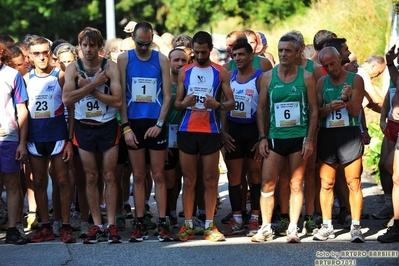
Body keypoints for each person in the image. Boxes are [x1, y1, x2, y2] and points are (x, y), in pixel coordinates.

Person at [252, 33, 318, 243]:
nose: (283, 54)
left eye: (288, 50)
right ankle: (265, 227)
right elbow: (261, 109)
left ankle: (292, 228)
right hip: (274, 137)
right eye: (280, 50)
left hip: (298, 137)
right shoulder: (268, 77)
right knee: (267, 183)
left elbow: (314, 111)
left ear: (298, 52)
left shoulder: (306, 77)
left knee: (296, 184)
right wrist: (262, 137)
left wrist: (309, 140)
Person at [63, 27, 123, 244]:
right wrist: (92, 86)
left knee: (109, 176)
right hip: (84, 127)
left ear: (100, 47)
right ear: (80, 47)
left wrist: (93, 86)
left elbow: (117, 102)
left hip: (107, 126)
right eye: (84, 45)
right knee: (90, 177)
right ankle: (96, 225)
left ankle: (112, 224)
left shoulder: (110, 67)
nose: (88, 50)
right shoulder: (73, 69)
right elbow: (67, 100)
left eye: (92, 45)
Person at [174, 31, 234, 242]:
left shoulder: (220, 72)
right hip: (187, 130)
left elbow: (231, 103)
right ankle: (188, 225)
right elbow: (177, 103)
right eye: (196, 52)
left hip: (210, 131)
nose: (199, 56)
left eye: (203, 52)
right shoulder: (185, 71)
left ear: (210, 49)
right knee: (189, 180)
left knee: (210, 180)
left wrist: (216, 105)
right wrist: (185, 103)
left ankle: (209, 225)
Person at [118, 21, 172, 242]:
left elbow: (168, 95)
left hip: (155, 122)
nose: (143, 47)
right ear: (134, 39)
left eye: (147, 43)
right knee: (138, 176)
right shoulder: (124, 59)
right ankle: (139, 222)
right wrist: (126, 127)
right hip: (134, 123)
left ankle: (161, 222)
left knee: (158, 175)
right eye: (139, 43)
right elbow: (120, 95)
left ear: (152, 39)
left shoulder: (161, 59)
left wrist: (159, 124)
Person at [24, 35, 76, 244]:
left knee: (62, 180)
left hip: (58, 135)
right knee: (38, 182)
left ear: (50, 53)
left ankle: (65, 225)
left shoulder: (61, 76)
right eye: (36, 53)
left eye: (45, 52)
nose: (42, 57)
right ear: (30, 56)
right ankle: (45, 226)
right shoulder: (26, 79)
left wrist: (70, 139)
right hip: (35, 137)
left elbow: (71, 109)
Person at [313, 46, 365, 243]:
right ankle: (327, 226)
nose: (330, 68)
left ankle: (356, 227)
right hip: (327, 134)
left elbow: (355, 112)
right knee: (327, 183)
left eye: (332, 64)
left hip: (349, 134)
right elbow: (316, 112)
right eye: (325, 66)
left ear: (339, 59)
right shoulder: (321, 82)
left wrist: (348, 99)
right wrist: (328, 108)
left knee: (353, 181)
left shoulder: (355, 80)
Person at [220, 40, 263, 237]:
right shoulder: (229, 77)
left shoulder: (261, 78)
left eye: (241, 55)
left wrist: (263, 136)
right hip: (234, 132)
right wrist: (223, 131)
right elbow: (223, 105)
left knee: (254, 175)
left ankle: (255, 217)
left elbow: (265, 109)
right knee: (234, 177)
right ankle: (237, 218)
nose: (237, 58)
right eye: (234, 55)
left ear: (251, 56)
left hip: (253, 131)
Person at [0, 43, 28, 245]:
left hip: (8, 138)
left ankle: (12, 228)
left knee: (12, 184)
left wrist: (22, 142)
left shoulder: (12, 75)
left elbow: (22, 110)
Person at [164, 48, 188, 227]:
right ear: (169, 62)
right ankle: (165, 212)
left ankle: (172, 211)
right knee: (168, 178)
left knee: (181, 175)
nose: (180, 64)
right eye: (176, 60)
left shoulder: (190, 85)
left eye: (183, 60)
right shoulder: (162, 84)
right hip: (165, 137)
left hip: (185, 135)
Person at [377, 45, 399, 243]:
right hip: (394, 126)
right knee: (388, 168)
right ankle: (395, 219)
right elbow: (394, 88)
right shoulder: (397, 73)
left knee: (394, 171)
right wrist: (390, 62)